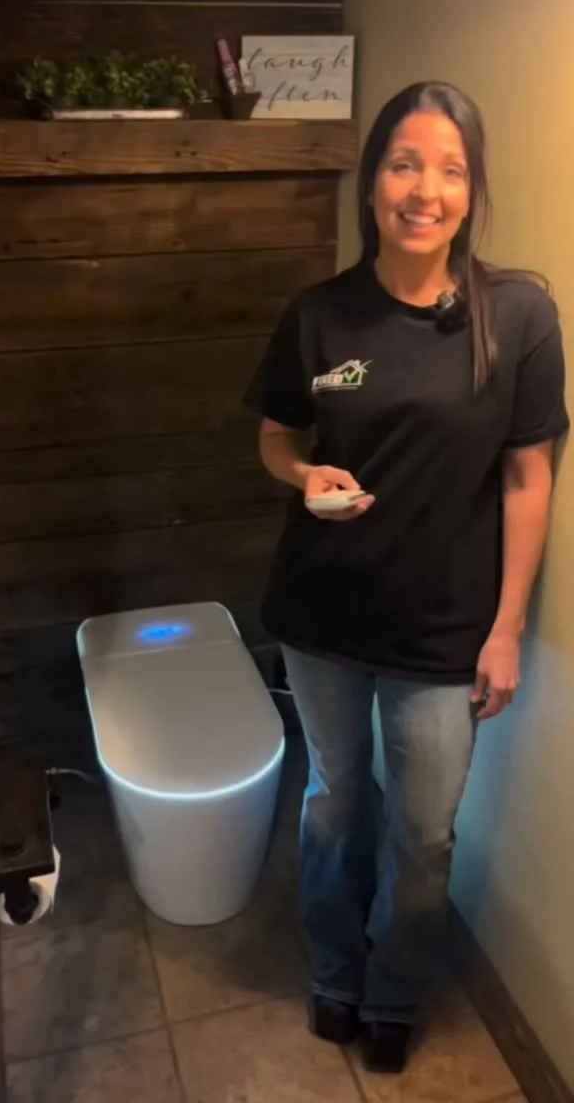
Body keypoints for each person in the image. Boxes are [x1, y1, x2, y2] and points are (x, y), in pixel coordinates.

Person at [243, 80, 569, 1075]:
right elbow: (275, 439)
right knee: (335, 803)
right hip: (322, 614)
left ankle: (392, 990)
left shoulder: (518, 315)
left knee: (423, 835)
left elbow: (528, 475)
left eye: (450, 169)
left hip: (443, 631)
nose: (425, 189)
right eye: (403, 163)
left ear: (472, 191)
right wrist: (305, 477)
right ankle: (336, 971)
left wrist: (507, 628)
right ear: (371, 181)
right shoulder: (320, 316)